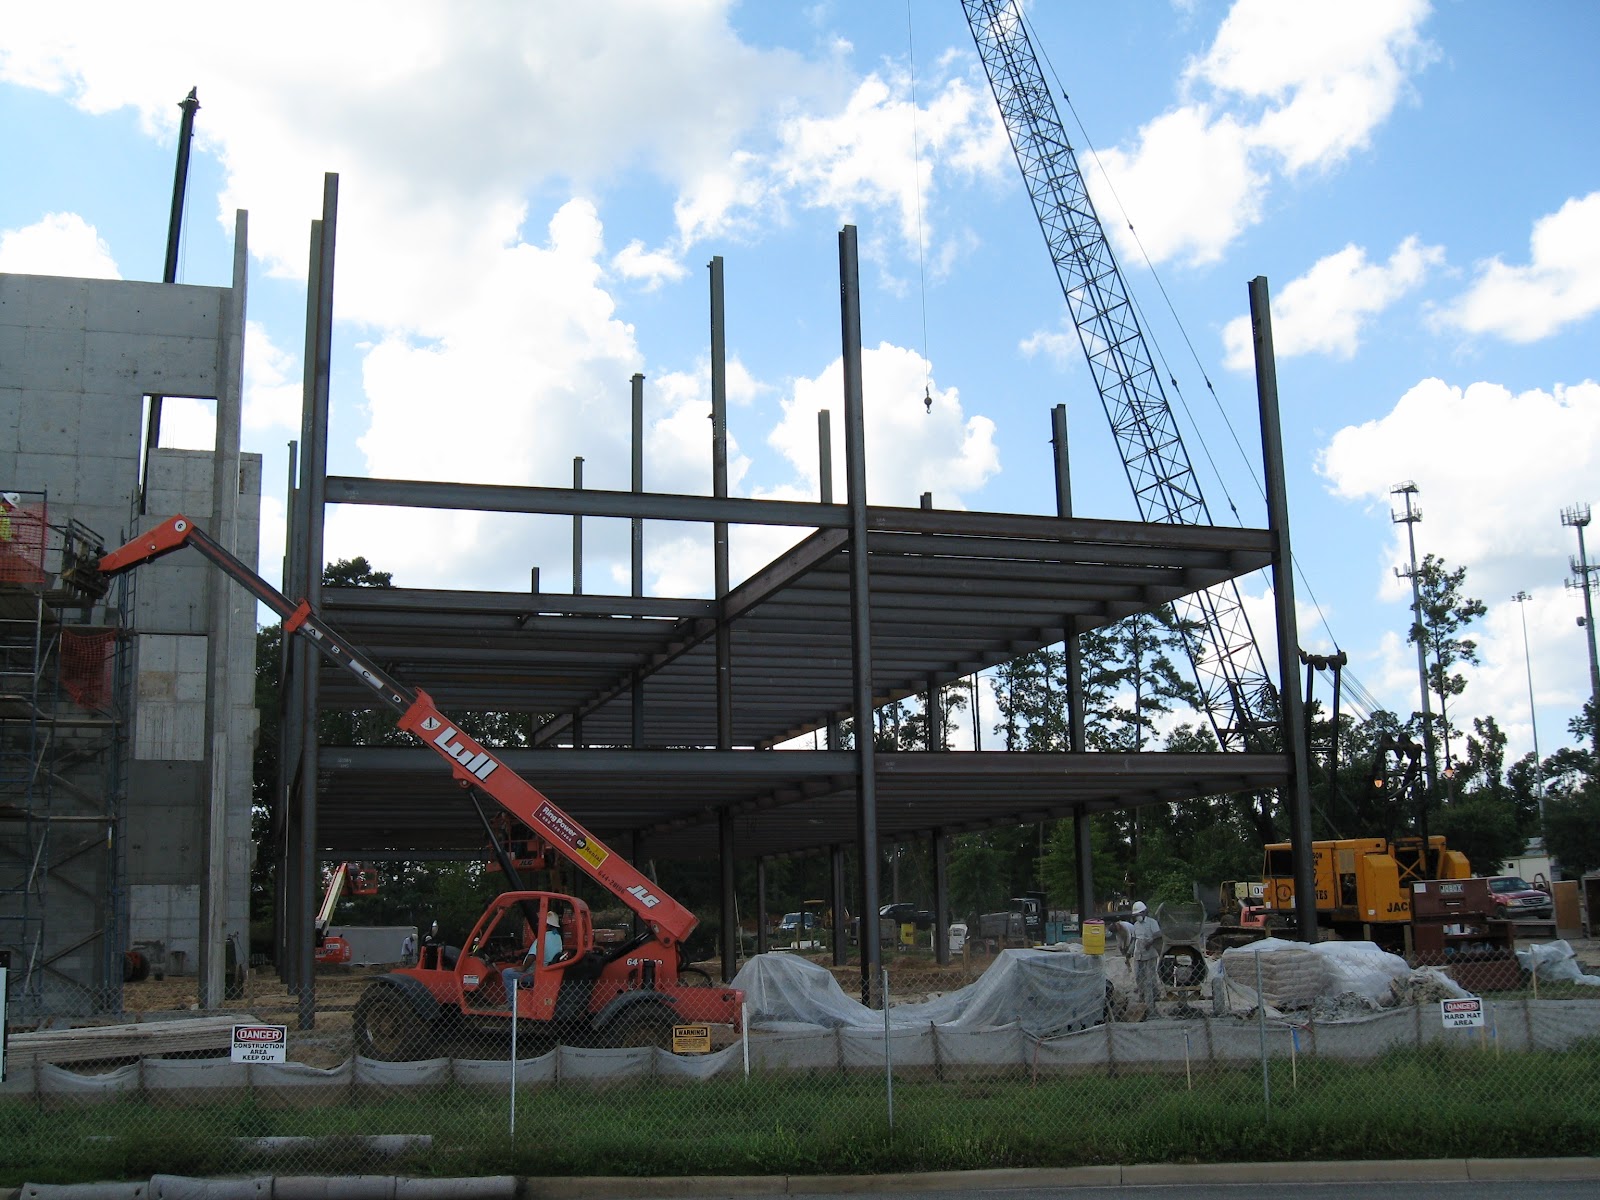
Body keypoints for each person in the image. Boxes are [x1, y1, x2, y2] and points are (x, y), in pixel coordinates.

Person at [1126, 900, 1162, 1012]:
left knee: (1150, 977)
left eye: (1139, 914)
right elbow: (1134, 939)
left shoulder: (1152, 922)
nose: (1138, 917)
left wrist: (1150, 941)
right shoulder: (1135, 925)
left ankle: (1154, 996)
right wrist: (1129, 951)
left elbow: (1158, 935)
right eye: (1136, 915)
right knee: (1138, 976)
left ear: (1144, 912)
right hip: (1138, 954)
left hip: (1150, 954)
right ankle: (1142, 995)